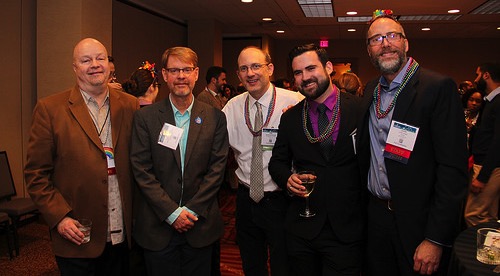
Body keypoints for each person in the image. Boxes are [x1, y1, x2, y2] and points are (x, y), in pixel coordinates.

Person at [359, 10, 468, 275]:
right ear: (369, 50)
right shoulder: (371, 90)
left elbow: (452, 170)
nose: (385, 43)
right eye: (376, 39)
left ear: (406, 43)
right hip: (376, 218)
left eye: (392, 36)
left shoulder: (437, 87)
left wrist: (435, 238)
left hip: (419, 222)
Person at [24, 38, 140, 275]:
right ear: (75, 67)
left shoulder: (130, 105)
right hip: (78, 233)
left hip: (125, 233)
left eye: (100, 58)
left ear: (109, 64)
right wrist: (60, 218)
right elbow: (36, 174)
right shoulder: (50, 109)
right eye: (86, 60)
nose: (95, 64)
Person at [130, 46, 229, 276]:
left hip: (200, 225)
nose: (181, 76)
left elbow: (217, 170)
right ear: (164, 75)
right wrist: (172, 213)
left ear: (196, 73)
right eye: (174, 70)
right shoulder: (146, 118)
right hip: (158, 226)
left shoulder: (215, 117)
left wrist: (192, 210)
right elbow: (141, 170)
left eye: (186, 70)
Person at [268, 44, 365, 275]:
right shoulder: (291, 118)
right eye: (298, 73)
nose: (305, 77)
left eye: (311, 68)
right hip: (303, 227)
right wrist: (287, 179)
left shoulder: (360, 109)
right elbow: (277, 163)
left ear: (329, 67)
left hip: (347, 227)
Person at [222, 46, 303, 276]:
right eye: (244, 68)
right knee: (251, 263)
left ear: (269, 68)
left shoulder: (294, 102)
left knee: (284, 264)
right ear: (238, 75)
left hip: (283, 199)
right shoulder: (232, 107)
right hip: (246, 199)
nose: (250, 73)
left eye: (256, 66)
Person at [464, 62, 500, 227]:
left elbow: (497, 142)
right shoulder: (491, 101)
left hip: (490, 168)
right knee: (489, 216)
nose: (476, 79)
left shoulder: (498, 102)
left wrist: (483, 177)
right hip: (486, 165)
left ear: (486, 75)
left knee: (473, 215)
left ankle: (480, 252)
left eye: (478, 75)